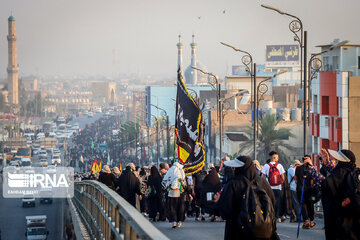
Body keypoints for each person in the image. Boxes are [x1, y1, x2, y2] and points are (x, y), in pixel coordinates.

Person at [215, 156, 279, 240]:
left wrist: (217, 202)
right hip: (262, 230)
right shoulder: (262, 182)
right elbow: (272, 202)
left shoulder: (233, 184)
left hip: (238, 231)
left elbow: (225, 211)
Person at [308, 149, 359, 239]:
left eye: (337, 160)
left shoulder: (342, 172)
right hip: (350, 218)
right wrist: (327, 162)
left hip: (340, 218)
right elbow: (335, 175)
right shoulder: (351, 171)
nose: (335, 161)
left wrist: (311, 169)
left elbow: (327, 183)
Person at [261, 151, 286, 222]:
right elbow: (283, 178)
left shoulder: (266, 166)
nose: (278, 159)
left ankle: (269, 216)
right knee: (277, 202)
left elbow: (262, 177)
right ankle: (277, 217)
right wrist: (279, 183)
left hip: (269, 188)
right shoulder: (279, 166)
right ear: (274, 158)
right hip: (278, 188)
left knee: (269, 201)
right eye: (277, 157)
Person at [162, 162, 187, 228]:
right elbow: (184, 182)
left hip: (171, 192)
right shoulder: (181, 171)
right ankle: (179, 221)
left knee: (172, 206)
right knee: (180, 206)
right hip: (180, 192)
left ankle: (174, 221)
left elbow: (165, 181)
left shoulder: (170, 170)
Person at [294, 155, 316, 229]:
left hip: (300, 189)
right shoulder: (312, 169)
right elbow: (313, 181)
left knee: (303, 206)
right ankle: (311, 221)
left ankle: (306, 221)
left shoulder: (298, 168)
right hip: (309, 190)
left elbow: (295, 179)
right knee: (310, 205)